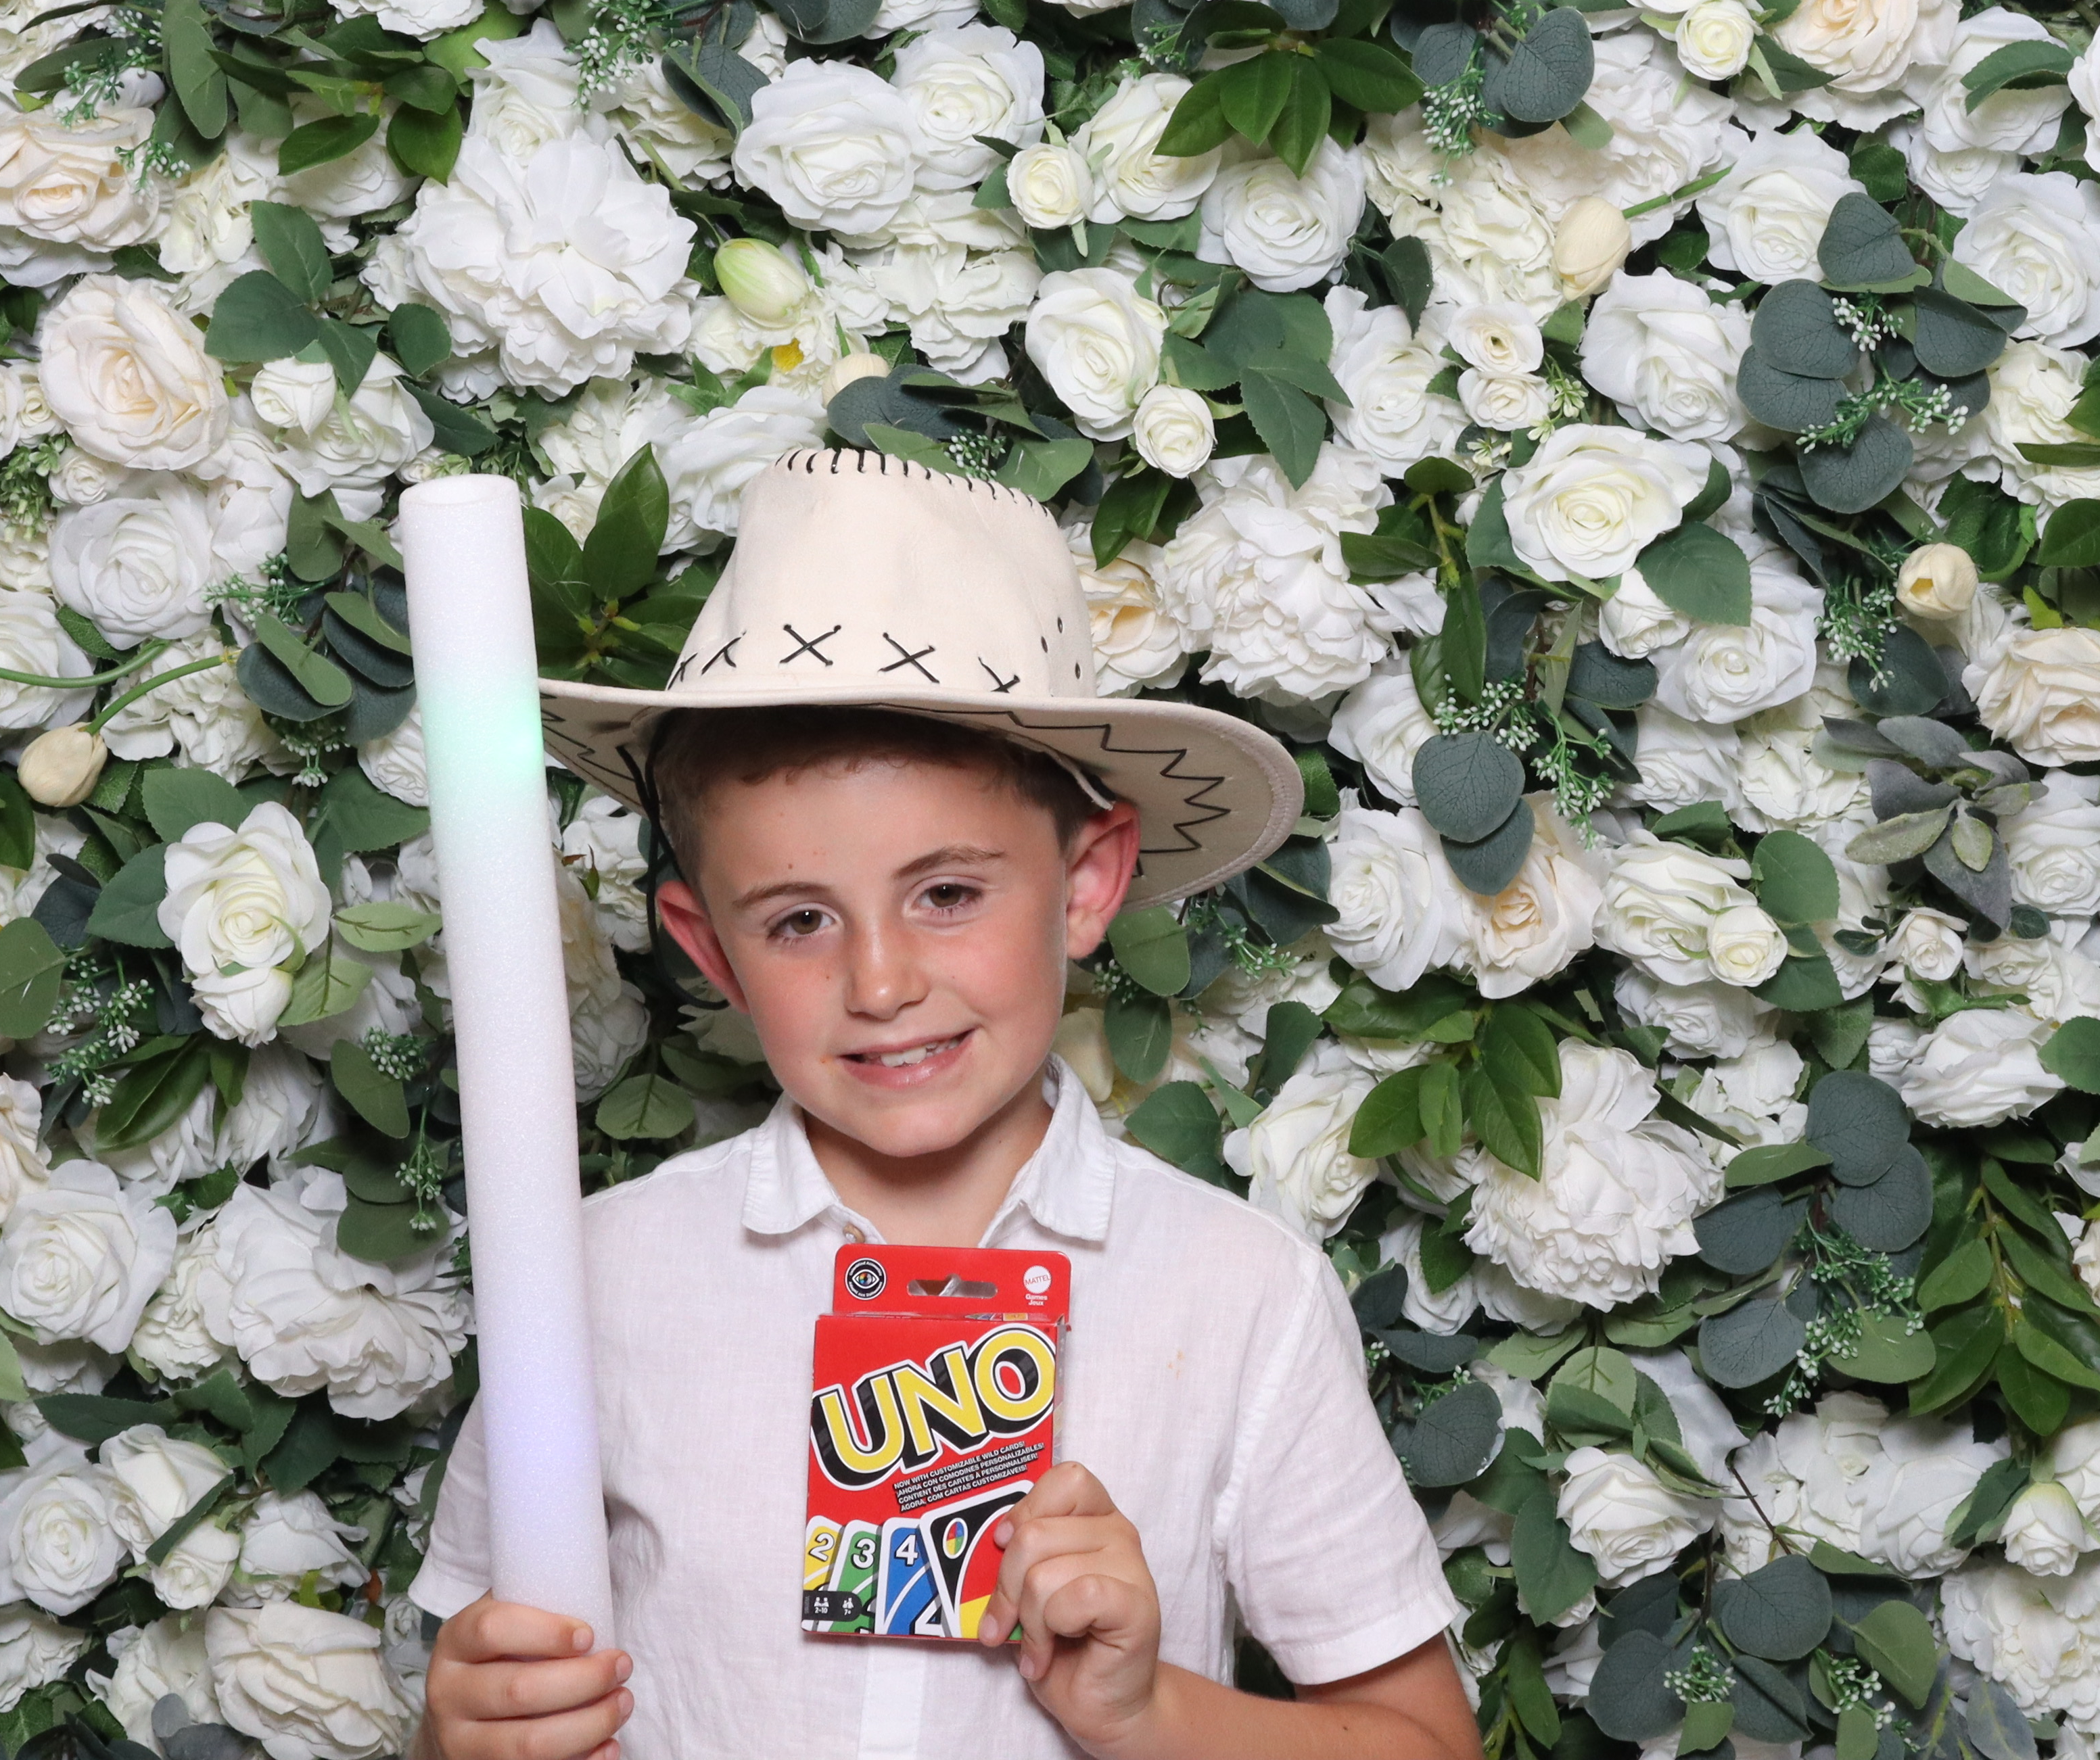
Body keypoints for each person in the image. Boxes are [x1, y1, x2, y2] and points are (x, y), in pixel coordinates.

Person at [408, 448, 1475, 1760]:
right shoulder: (585, 1281)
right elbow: (502, 1686)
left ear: (1089, 884)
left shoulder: (1239, 1293)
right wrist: (467, 1731)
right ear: (708, 947)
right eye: (798, 918)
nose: (880, 979)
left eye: (948, 892)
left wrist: (1147, 1710)